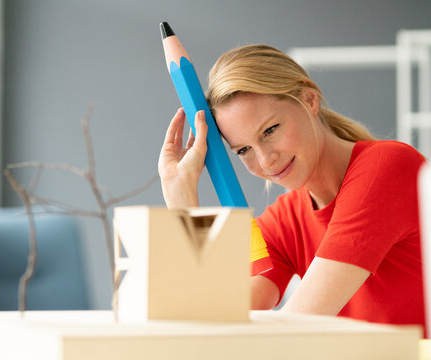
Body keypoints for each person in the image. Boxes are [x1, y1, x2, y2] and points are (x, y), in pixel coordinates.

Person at [158, 44, 427, 333]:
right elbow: (218, 316)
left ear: (309, 99)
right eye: (244, 149)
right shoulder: (286, 219)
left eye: (270, 130)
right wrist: (181, 201)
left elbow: (292, 329)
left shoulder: (385, 168)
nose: (265, 159)